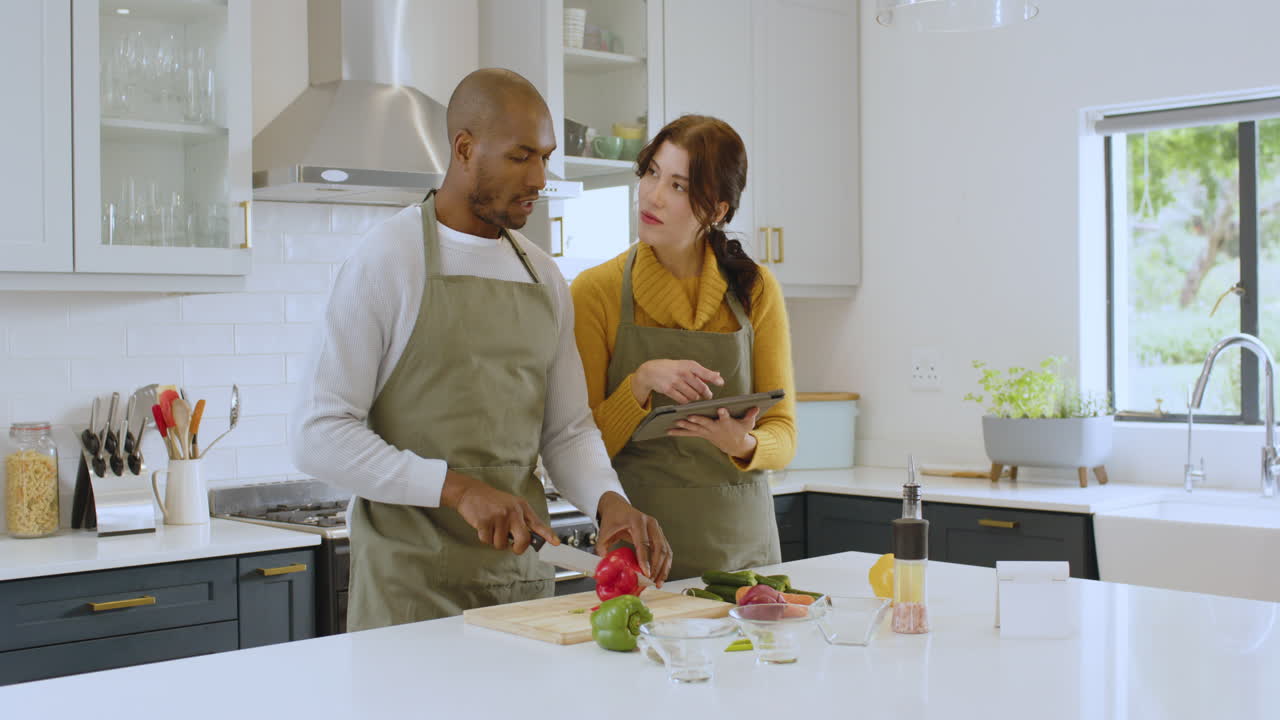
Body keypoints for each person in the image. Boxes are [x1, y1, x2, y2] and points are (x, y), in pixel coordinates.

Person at [291, 68, 671, 631]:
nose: (540, 177)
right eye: (521, 156)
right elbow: (317, 435)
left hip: (522, 593)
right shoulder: (387, 260)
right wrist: (458, 489)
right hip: (410, 598)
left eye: (544, 156)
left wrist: (608, 501)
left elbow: (566, 431)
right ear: (464, 148)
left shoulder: (543, 276)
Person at [570, 115, 797, 580]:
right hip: (641, 553)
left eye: (677, 186)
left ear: (716, 210)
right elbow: (579, 445)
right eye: (651, 172)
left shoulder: (756, 291)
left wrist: (745, 442)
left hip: (744, 555)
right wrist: (640, 384)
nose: (652, 195)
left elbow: (785, 433)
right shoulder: (596, 292)